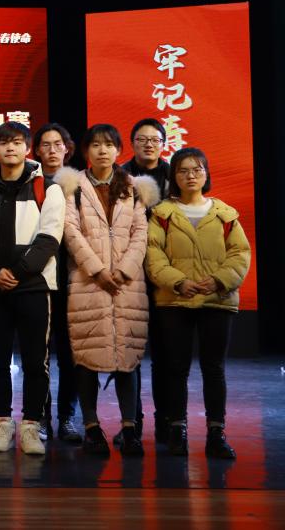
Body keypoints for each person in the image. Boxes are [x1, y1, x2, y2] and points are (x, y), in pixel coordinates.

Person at [56, 124, 158, 457]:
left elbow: (141, 233)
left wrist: (124, 270)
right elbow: (70, 231)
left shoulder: (134, 188)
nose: (103, 150)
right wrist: (97, 270)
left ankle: (130, 429)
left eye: (109, 145)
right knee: (87, 357)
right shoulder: (72, 187)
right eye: (96, 145)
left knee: (128, 357)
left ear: (119, 150)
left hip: (128, 284)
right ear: (86, 151)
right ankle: (91, 428)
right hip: (88, 282)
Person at [0, 122, 65, 455]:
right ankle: (3, 423)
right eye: (4, 142)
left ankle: (32, 426)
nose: (10, 148)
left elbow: (49, 238)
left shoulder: (48, 189)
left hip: (33, 287)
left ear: (27, 148)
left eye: (17, 142)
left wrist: (18, 273)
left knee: (36, 361)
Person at [146, 147, 251, 459]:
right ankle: (176, 430)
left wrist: (218, 280)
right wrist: (178, 281)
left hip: (217, 300)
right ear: (174, 176)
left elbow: (240, 255)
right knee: (175, 368)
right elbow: (153, 256)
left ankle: (216, 433)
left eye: (197, 169)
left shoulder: (226, 214)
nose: (190, 175)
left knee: (213, 368)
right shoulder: (161, 214)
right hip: (174, 300)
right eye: (183, 170)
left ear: (206, 174)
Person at [121, 118, 173, 444]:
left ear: (163, 144)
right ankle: (132, 423)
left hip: (166, 274)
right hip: (130, 273)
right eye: (142, 139)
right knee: (130, 354)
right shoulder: (121, 176)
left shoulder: (176, 175)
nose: (149, 144)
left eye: (155, 139)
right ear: (132, 144)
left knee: (165, 355)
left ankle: (166, 421)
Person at [31, 122, 80, 443]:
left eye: (57, 144)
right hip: (38, 277)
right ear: (36, 150)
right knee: (40, 354)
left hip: (74, 279)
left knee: (70, 353)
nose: (52, 150)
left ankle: (67, 417)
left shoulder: (79, 185)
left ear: (67, 148)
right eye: (45, 145)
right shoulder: (29, 182)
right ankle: (41, 417)